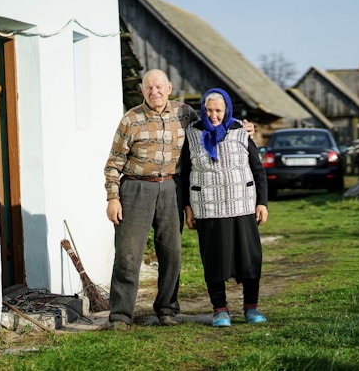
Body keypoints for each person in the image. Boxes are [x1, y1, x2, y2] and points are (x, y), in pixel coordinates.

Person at [104, 70, 255, 329]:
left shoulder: (185, 113)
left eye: (160, 87)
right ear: (143, 91)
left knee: (171, 253)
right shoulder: (131, 119)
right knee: (128, 255)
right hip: (136, 189)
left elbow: (214, 122)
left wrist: (244, 126)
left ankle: (167, 309)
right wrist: (112, 198)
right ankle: (120, 315)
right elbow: (113, 163)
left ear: (169, 87)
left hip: (172, 188)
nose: (155, 92)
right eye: (149, 88)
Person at [181, 88, 269, 327]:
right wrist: (187, 207)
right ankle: (220, 310)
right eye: (209, 110)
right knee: (213, 260)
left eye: (218, 110)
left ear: (226, 109)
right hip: (208, 208)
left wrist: (262, 202)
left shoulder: (240, 130)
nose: (213, 115)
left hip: (242, 205)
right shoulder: (192, 133)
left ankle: (251, 307)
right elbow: (186, 173)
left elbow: (257, 169)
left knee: (249, 258)